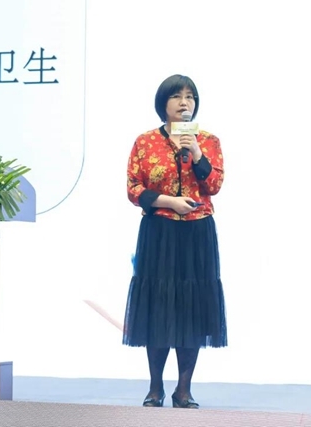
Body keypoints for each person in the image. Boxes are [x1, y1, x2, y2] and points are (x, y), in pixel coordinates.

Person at [122, 74, 227, 409]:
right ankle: (155, 387)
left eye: (190, 96)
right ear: (163, 103)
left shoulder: (208, 141)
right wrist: (169, 202)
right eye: (177, 96)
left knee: (192, 308)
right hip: (159, 231)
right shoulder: (145, 141)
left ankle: (184, 389)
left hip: (197, 232)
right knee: (158, 306)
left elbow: (214, 185)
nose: (185, 103)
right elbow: (134, 188)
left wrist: (196, 152)